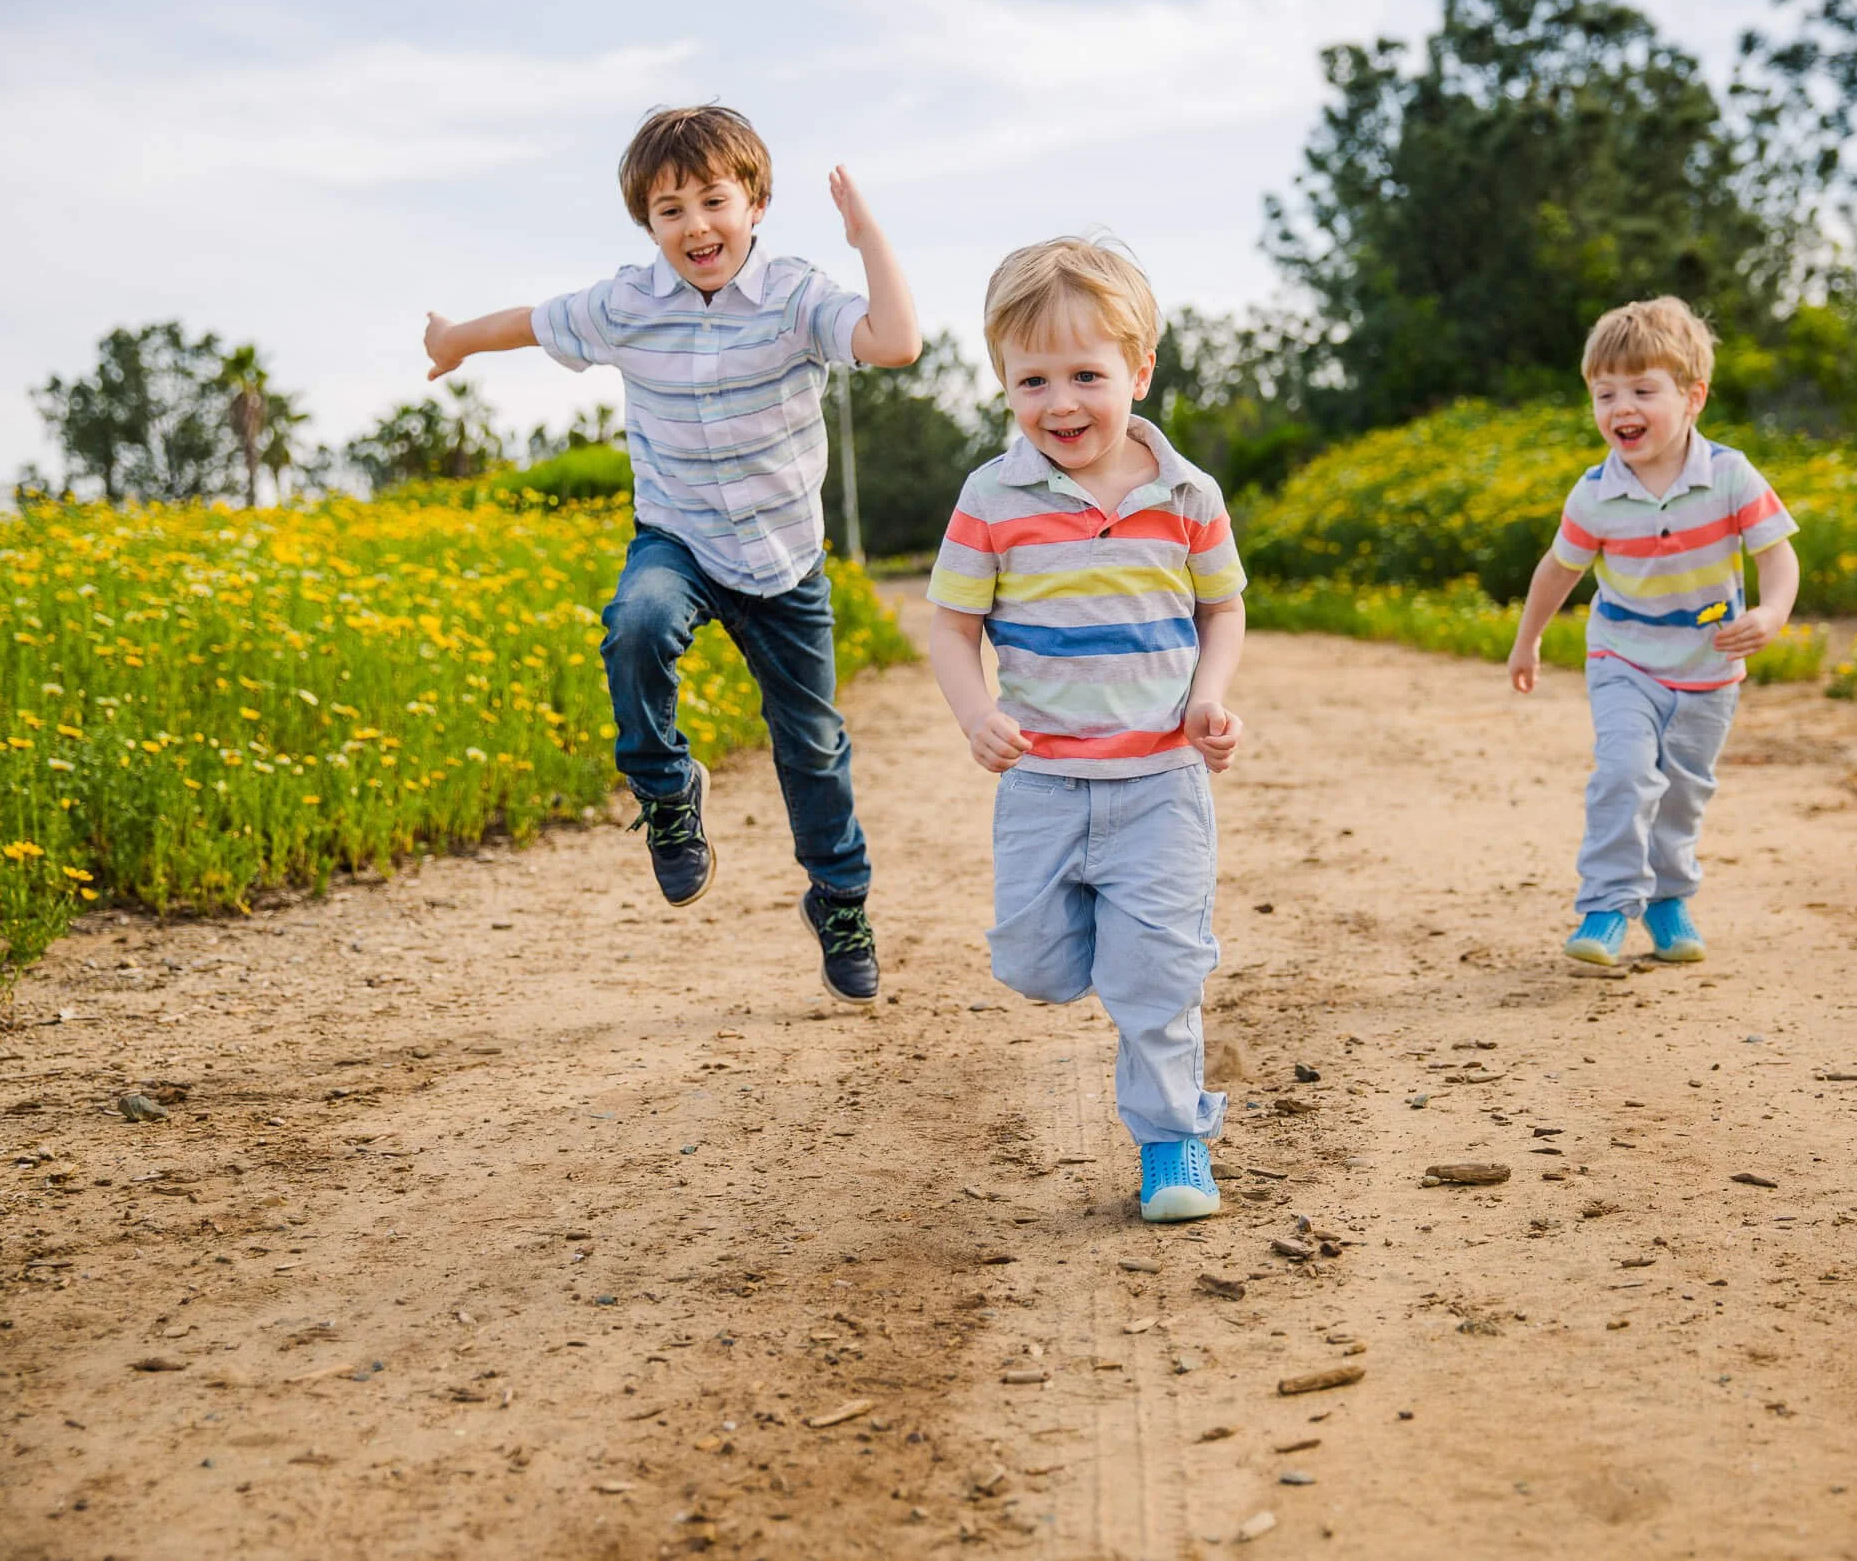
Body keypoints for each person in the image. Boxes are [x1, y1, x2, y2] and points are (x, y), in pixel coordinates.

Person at [421, 105, 920, 1004]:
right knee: (637, 622)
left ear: (755, 203)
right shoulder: (625, 304)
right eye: (669, 210)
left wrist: (866, 235)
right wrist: (456, 339)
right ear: (648, 225)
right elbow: (534, 322)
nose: (695, 226)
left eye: (713, 201)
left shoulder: (798, 296)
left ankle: (840, 900)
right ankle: (667, 794)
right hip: (679, 538)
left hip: (784, 563)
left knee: (812, 745)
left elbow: (896, 342)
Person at [926, 237, 1247, 1223]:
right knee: (1032, 960)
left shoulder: (1188, 495)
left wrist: (1211, 694)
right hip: (1044, 785)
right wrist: (978, 712)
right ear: (1003, 383)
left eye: (1085, 376)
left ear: (1138, 370)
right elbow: (950, 623)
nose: (1059, 403)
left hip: (1159, 782)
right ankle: (1118, 953)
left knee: (1155, 974)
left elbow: (1221, 610)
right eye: (1032, 380)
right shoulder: (992, 498)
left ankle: (1171, 1142)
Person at [1505, 296, 1800, 968]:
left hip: (1708, 668)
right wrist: (1528, 640)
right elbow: (1558, 570)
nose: (1620, 408)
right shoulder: (1594, 493)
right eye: (1604, 393)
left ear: (1693, 396)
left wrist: (1773, 612)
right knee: (1625, 773)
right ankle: (1607, 904)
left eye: (1642, 389)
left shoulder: (1730, 476)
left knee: (1684, 787)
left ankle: (1668, 899)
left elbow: (1778, 553)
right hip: (1623, 660)